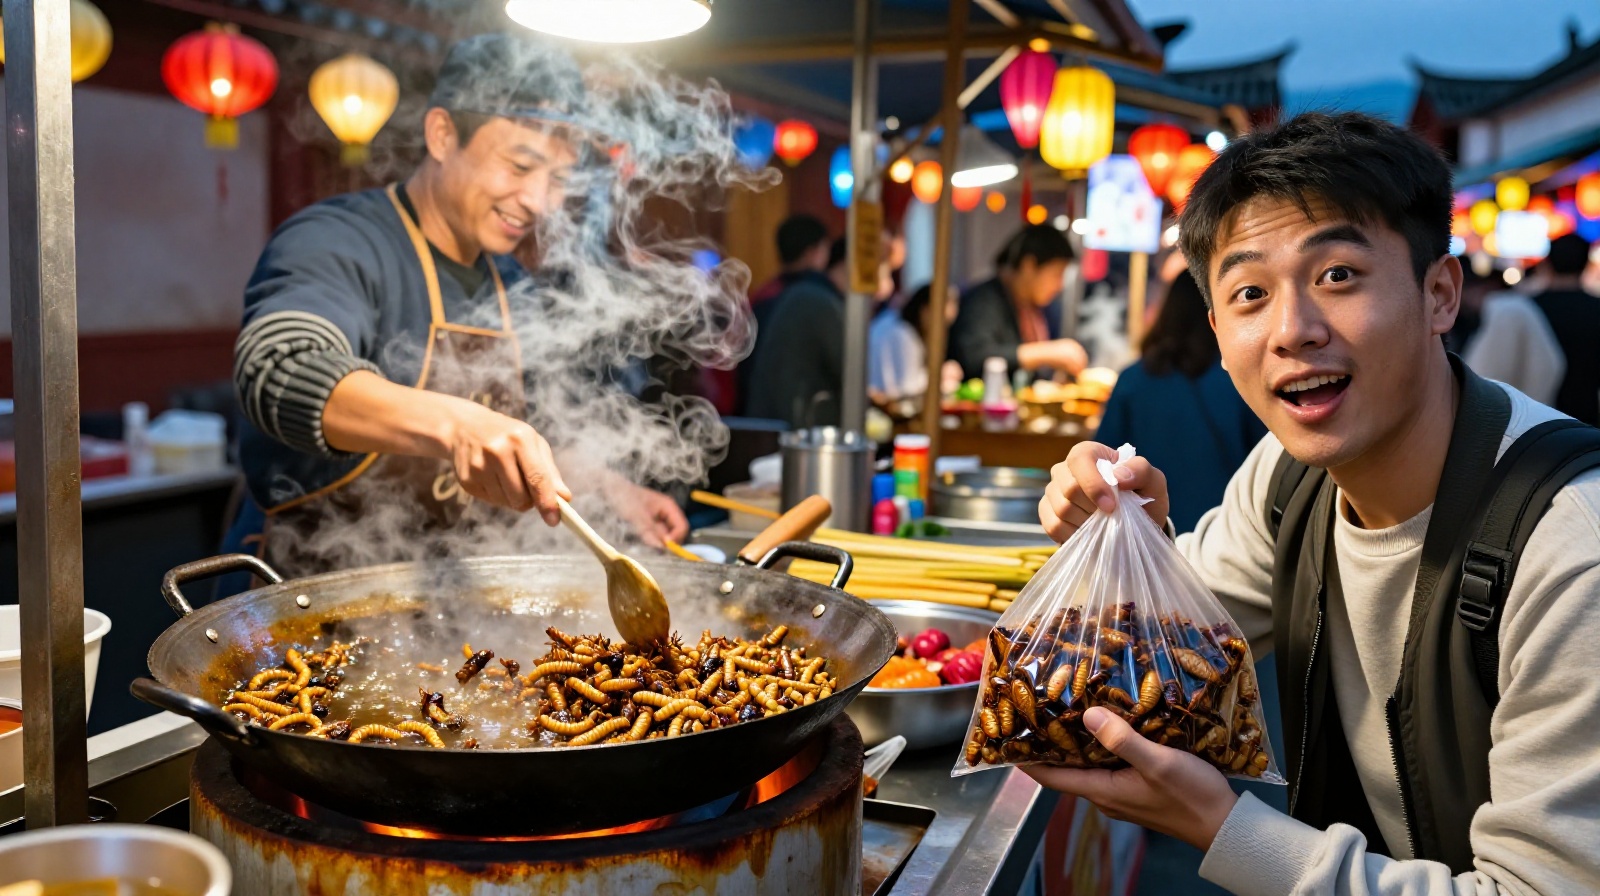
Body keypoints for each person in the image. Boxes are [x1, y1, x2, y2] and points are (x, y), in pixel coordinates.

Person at [1035, 112, 1600, 894]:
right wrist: (1126, 534)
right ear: (1216, 333)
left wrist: (1221, 827)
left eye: (1337, 275)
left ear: (1439, 294)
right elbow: (1151, 652)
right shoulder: (1288, 476)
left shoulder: (1571, 547)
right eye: (1250, 292)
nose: (1292, 330)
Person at [227, 34, 688, 577]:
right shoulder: (337, 240)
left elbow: (533, 430)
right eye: (519, 166)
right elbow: (278, 369)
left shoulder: (509, 279)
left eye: (558, 178)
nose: (538, 201)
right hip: (307, 603)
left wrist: (609, 489)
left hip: (450, 607)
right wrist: (458, 424)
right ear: (443, 135)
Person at [1094, 270, 1266, 532]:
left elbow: (1103, 461)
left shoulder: (1133, 379)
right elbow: (1267, 463)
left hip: (1147, 536)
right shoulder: (1241, 382)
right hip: (1230, 535)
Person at [1466, 233, 1599, 425]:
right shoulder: (1595, 309)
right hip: (1587, 420)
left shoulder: (1522, 309)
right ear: (1586, 264)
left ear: (1547, 264)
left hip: (1533, 423)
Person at [947, 224, 1090, 380]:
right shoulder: (982, 301)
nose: (1060, 285)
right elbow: (974, 358)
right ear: (1029, 266)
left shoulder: (1041, 308)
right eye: (1057, 274)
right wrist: (1046, 352)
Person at [729, 215, 832, 415]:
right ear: (813, 252)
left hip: (753, 409)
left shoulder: (761, 295)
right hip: (794, 415)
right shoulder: (815, 300)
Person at [742, 238, 850, 427]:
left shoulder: (773, 291)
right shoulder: (819, 301)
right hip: (794, 427)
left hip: (764, 419)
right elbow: (848, 370)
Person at [868, 282, 957, 405]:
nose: (943, 328)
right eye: (943, 321)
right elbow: (907, 386)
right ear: (925, 310)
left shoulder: (894, 320)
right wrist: (940, 376)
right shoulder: (903, 334)